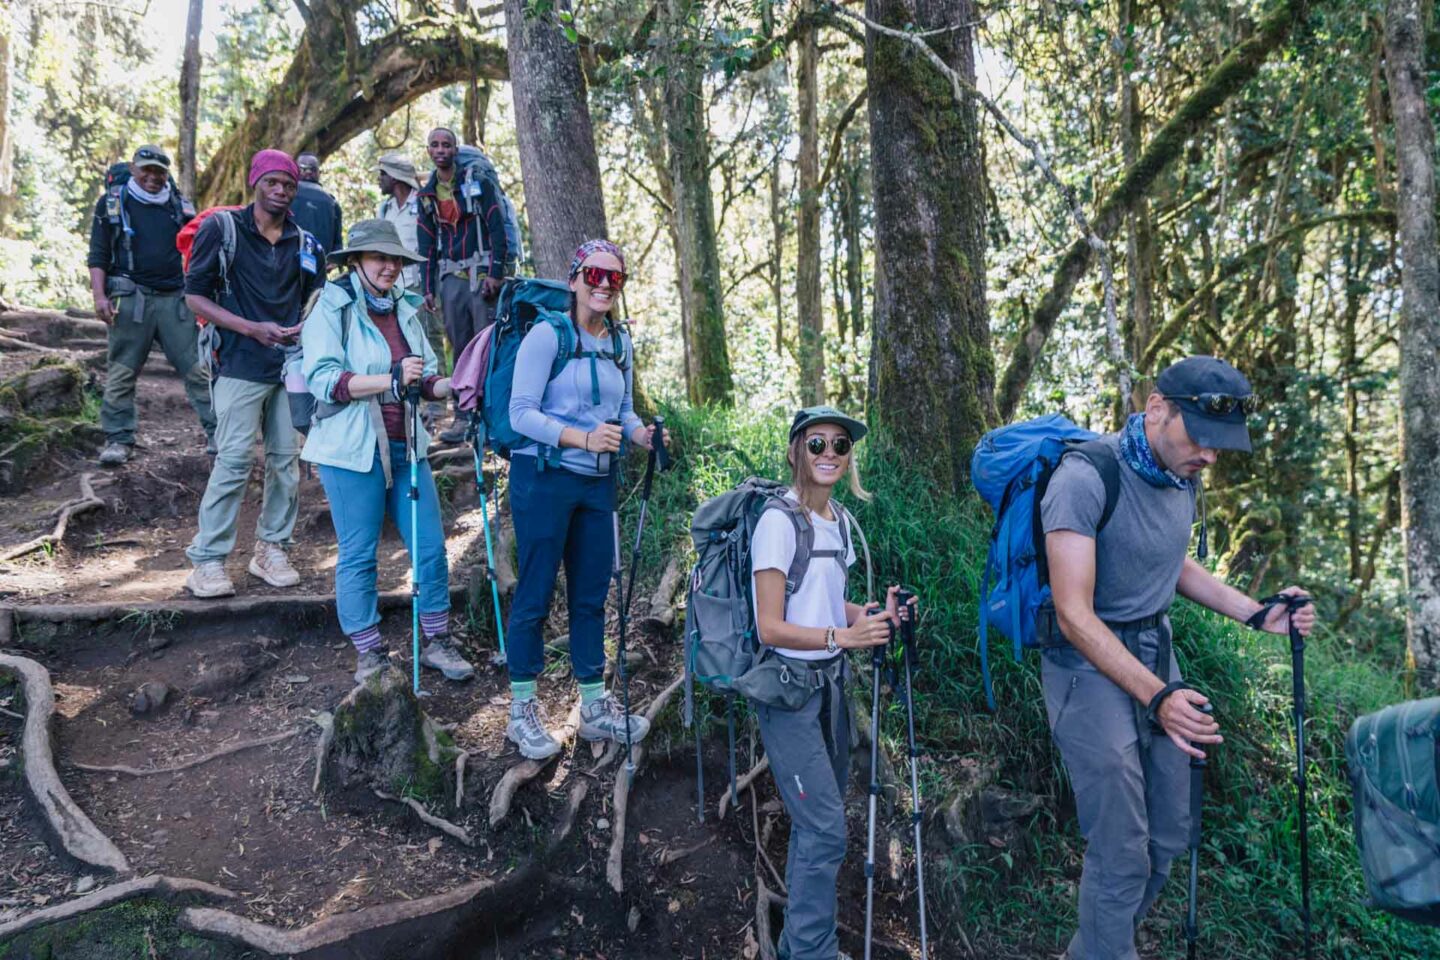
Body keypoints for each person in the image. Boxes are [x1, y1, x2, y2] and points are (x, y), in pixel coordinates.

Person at [1039, 356, 1317, 960]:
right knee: (1121, 845)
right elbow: (1074, 614)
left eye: (1221, 446)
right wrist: (1159, 697)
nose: (1211, 457)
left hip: (1153, 651)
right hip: (1085, 665)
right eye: (1202, 439)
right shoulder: (1085, 478)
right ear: (1157, 408)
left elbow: (1171, 562)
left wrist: (1255, 612)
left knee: (1168, 832)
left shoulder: (1179, 477)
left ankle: (1093, 949)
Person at [747, 405, 907, 960]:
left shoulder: (837, 520)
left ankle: (799, 944)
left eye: (840, 445)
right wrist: (844, 639)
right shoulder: (777, 521)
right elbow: (770, 625)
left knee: (819, 824)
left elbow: (824, 602)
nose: (830, 455)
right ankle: (812, 950)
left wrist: (868, 616)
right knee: (825, 828)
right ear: (796, 451)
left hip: (829, 690)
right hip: (788, 694)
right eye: (817, 444)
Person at [502, 239, 662, 759]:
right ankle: (521, 711)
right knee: (535, 592)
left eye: (614, 278)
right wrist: (582, 438)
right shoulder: (547, 335)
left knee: (592, 594)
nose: (603, 285)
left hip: (597, 484)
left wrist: (640, 437)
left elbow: (626, 410)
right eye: (594, 274)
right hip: (543, 477)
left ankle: (593, 707)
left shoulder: (620, 343)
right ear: (573, 278)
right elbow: (519, 414)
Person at [300, 219, 474, 683]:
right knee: (359, 553)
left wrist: (455, 388)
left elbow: (426, 377)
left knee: (432, 548)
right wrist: (390, 381)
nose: (390, 267)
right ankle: (370, 652)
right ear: (356, 261)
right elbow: (325, 379)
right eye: (380, 258)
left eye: (395, 259)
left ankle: (437, 640)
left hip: (408, 444)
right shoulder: (331, 307)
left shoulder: (408, 310)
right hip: (351, 450)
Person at [182, 149, 324, 599]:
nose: (280, 191)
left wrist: (306, 326)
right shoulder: (221, 230)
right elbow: (194, 297)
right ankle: (206, 560)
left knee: (286, 461)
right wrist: (250, 328)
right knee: (235, 460)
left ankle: (271, 549)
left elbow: (317, 294)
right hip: (240, 361)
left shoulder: (304, 242)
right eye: (272, 183)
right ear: (255, 183)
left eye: (288, 185)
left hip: (289, 367)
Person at [86, 144, 215, 465]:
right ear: (133, 169)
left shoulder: (180, 207)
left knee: (199, 371)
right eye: (146, 170)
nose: (153, 177)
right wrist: (100, 296)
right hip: (131, 298)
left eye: (159, 171)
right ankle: (118, 439)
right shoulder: (113, 204)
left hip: (177, 299)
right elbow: (98, 254)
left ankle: (218, 434)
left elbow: (197, 254)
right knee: (121, 372)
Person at [415, 127, 510, 443]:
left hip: (481, 274)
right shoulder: (427, 195)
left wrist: (496, 272)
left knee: (487, 345)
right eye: (435, 145)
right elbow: (425, 245)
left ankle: (492, 419)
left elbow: (497, 227)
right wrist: (428, 287)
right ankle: (464, 417)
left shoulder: (477, 183)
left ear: (455, 150)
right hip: (450, 279)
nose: (441, 150)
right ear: (428, 151)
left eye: (446, 145)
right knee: (460, 348)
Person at [376, 154, 446, 374]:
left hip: (419, 282)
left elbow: (435, 244)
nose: (379, 179)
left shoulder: (423, 202)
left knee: (428, 335)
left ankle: (435, 397)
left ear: (395, 178)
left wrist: (430, 287)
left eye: (382, 174)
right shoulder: (385, 208)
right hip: (391, 283)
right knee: (396, 338)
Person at [291, 152, 343, 253]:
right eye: (303, 168)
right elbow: (338, 245)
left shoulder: (283, 195)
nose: (308, 172)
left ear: (319, 172)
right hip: (320, 263)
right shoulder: (332, 202)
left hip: (287, 261)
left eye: (312, 169)